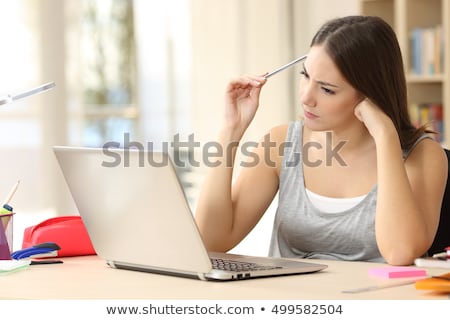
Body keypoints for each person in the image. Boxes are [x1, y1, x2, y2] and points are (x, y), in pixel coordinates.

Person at [194, 15, 448, 266]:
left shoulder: (423, 156)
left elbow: (400, 253)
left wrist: (385, 137)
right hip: (292, 303)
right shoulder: (283, 143)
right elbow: (211, 240)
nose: (306, 97)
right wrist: (231, 129)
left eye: (327, 89)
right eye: (305, 76)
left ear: (371, 94)